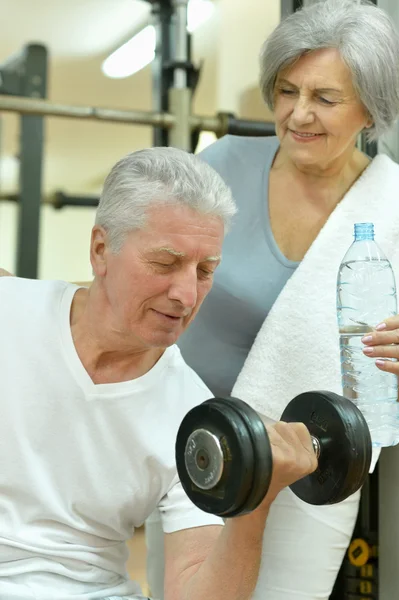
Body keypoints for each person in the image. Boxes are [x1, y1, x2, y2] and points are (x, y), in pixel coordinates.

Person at [145, 0, 399, 599]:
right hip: (194, 448)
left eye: (325, 98)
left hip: (315, 459)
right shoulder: (219, 168)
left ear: (370, 107)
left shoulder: (391, 205)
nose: (299, 114)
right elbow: (143, 270)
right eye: (287, 91)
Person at [0, 146, 319, 600]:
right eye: (165, 264)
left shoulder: (196, 421)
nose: (187, 296)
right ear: (100, 250)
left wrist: (255, 504)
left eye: (206, 271)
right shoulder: (9, 312)